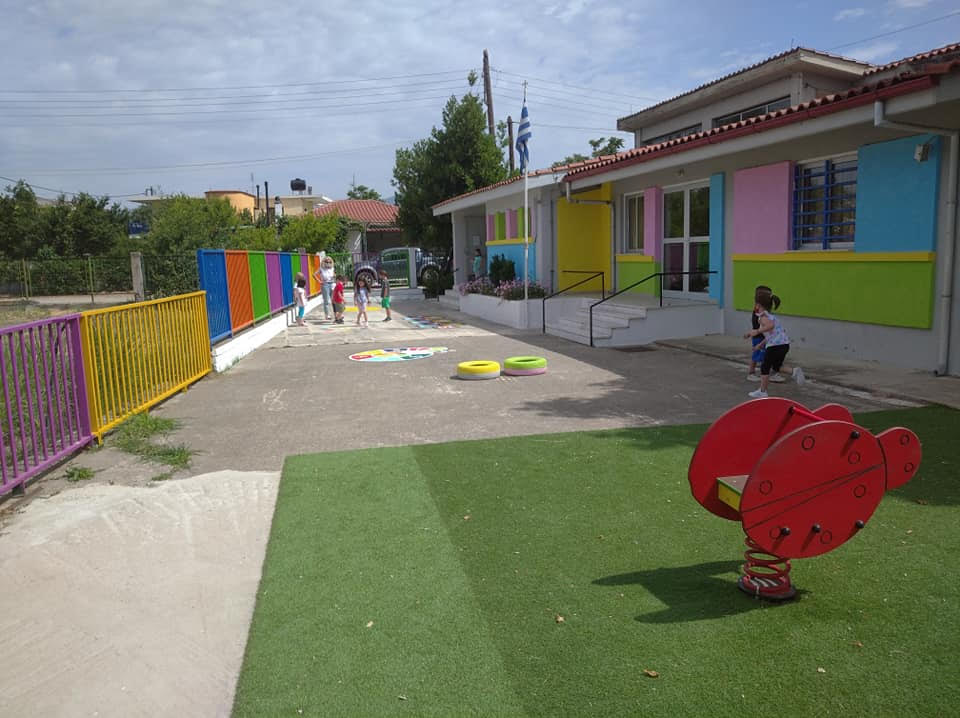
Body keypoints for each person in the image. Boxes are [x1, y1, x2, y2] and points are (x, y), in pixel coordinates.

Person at [745, 291, 805, 398]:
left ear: (758, 305)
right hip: (784, 345)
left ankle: (762, 391)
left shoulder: (763, 317)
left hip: (775, 346)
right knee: (777, 366)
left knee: (765, 367)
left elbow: (770, 326)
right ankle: (794, 371)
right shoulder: (771, 316)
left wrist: (757, 331)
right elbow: (771, 334)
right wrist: (760, 344)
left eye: (755, 304)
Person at [747, 284, 772, 382]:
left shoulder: (763, 308)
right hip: (759, 336)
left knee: (765, 355)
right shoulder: (757, 309)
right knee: (756, 354)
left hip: (763, 335)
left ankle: (767, 373)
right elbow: (757, 323)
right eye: (768, 295)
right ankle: (751, 373)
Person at [313, 254, 336, 321]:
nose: (328, 263)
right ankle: (327, 315)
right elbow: (314, 274)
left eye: (329, 262)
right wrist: (319, 281)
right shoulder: (321, 269)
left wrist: (334, 276)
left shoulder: (332, 268)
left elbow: (334, 275)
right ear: (324, 262)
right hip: (325, 284)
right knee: (326, 301)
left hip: (332, 284)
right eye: (326, 261)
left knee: (334, 300)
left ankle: (335, 314)